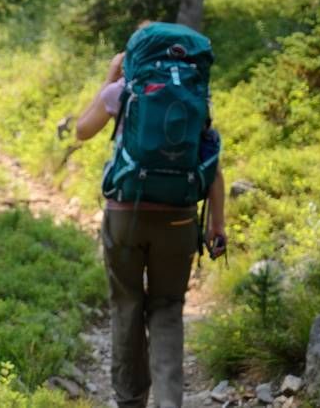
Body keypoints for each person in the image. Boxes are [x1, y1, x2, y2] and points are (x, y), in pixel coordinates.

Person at [76, 50, 227, 408]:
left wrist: (109, 81)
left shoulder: (123, 90)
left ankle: (131, 401)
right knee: (168, 307)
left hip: (126, 215)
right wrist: (216, 224)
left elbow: (82, 130)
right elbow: (212, 162)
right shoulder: (194, 94)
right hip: (179, 217)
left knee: (127, 305)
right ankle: (170, 402)